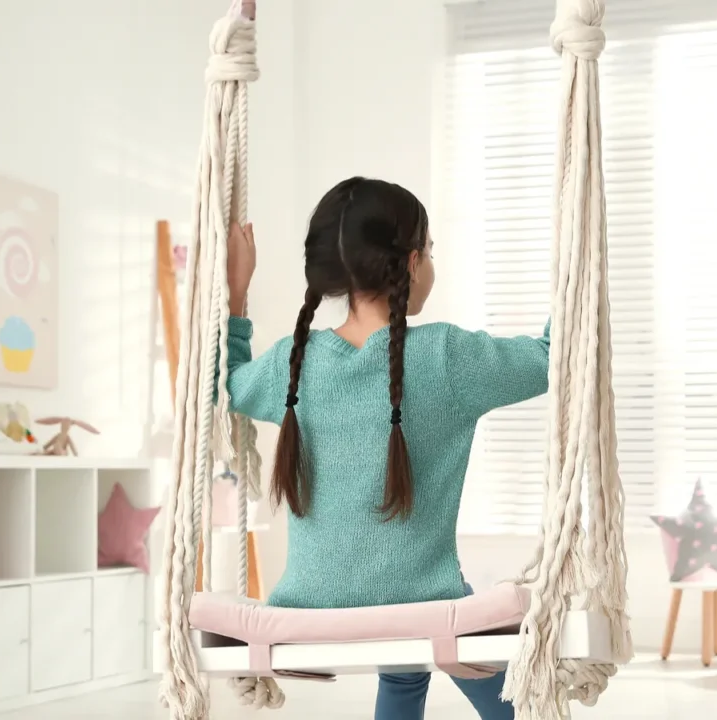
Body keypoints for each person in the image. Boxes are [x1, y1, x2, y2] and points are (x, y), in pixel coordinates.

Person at [222, 176, 551, 720]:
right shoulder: (447, 357)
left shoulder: (293, 363)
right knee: (474, 662)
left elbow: (223, 384)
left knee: (404, 666)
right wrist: (573, 268)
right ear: (414, 260)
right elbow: (553, 356)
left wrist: (236, 290)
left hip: (311, 606)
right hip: (422, 602)